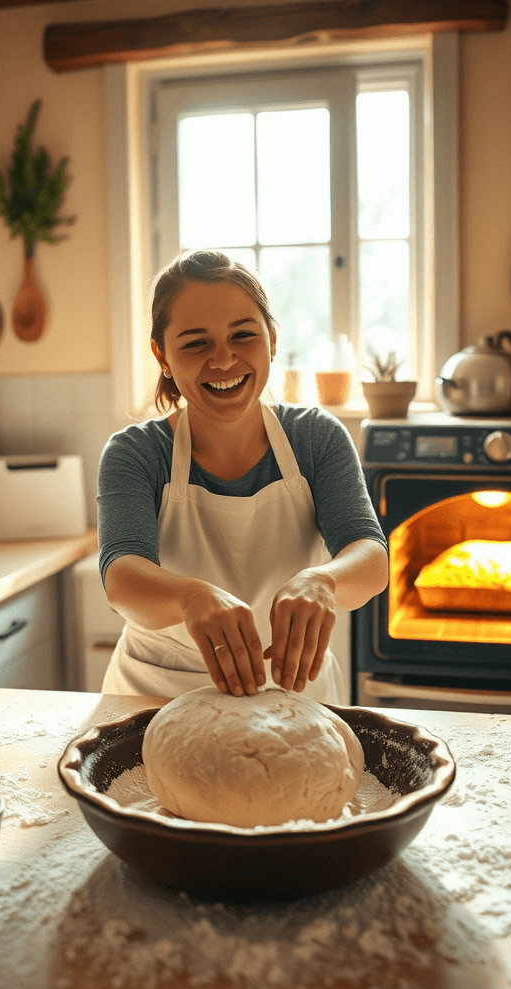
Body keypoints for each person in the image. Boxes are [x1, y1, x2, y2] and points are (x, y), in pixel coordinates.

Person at [96, 249, 388, 703]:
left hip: (292, 694)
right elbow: (121, 577)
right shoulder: (136, 452)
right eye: (196, 343)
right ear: (162, 354)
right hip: (154, 696)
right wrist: (190, 598)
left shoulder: (316, 438)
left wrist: (323, 582)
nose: (224, 360)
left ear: (271, 339)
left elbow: (370, 556)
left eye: (243, 335)